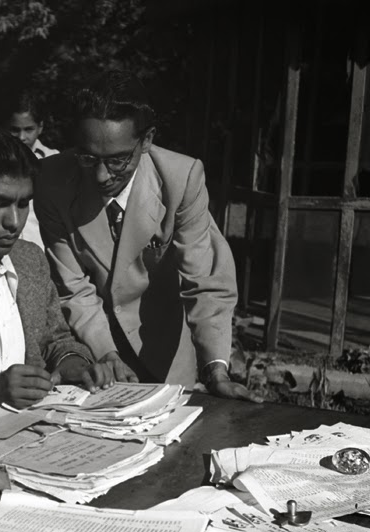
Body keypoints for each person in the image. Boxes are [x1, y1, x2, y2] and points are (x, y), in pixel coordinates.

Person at [34, 71, 261, 401]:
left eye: (117, 161)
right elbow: (73, 289)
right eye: (88, 157)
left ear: (147, 139)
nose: (101, 175)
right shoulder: (51, 182)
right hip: (91, 348)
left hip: (165, 346)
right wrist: (106, 355)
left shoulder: (182, 178)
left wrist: (215, 370)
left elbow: (204, 281)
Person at [0, 126, 112, 412]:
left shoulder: (30, 261)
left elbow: (55, 339)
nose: (14, 222)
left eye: (23, 204)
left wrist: (74, 366)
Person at [1, 89, 59, 250]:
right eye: (14, 130)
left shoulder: (54, 161)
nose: (21, 137)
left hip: (42, 250)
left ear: (40, 127)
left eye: (28, 129)